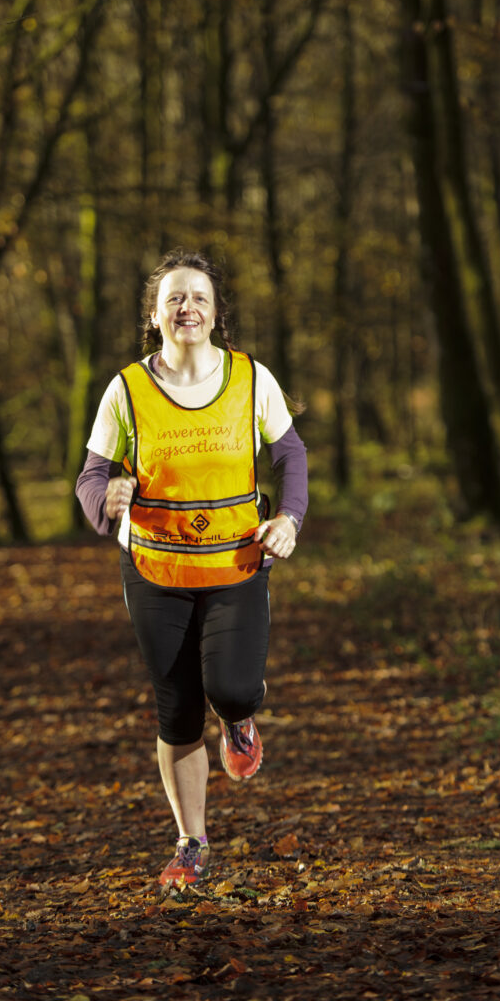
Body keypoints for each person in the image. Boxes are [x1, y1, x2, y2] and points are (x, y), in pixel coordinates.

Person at [76, 249, 308, 887]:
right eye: (174, 298)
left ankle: (238, 720)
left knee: (230, 687)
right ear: (154, 315)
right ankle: (192, 844)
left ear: (215, 312)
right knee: (177, 706)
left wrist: (288, 519)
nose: (187, 307)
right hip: (155, 569)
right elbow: (90, 476)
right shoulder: (125, 389)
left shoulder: (251, 379)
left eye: (199, 297)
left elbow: (290, 454)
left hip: (237, 561)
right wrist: (107, 500)